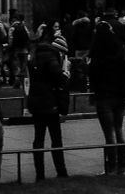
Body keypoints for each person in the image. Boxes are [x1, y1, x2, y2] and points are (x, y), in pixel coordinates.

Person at [88, 19, 125, 176]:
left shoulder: (97, 56)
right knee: (118, 131)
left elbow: (93, 78)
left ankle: (111, 167)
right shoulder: (118, 51)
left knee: (109, 134)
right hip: (119, 95)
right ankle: (121, 167)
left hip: (104, 96)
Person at [27, 27, 70, 180]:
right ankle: (61, 171)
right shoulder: (52, 59)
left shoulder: (35, 56)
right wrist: (66, 74)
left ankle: (40, 174)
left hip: (36, 102)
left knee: (38, 138)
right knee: (56, 138)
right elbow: (60, 79)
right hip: (50, 103)